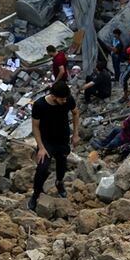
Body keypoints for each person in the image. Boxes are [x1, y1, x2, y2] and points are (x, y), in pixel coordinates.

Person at [28, 81, 79, 209]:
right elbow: (35, 127)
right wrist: (41, 147)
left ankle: (59, 182)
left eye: (66, 98)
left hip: (62, 138)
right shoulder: (40, 105)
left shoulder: (67, 99)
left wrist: (76, 133)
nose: (65, 101)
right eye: (62, 99)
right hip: (46, 141)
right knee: (42, 168)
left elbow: (75, 113)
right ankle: (36, 194)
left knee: (62, 164)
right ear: (54, 96)